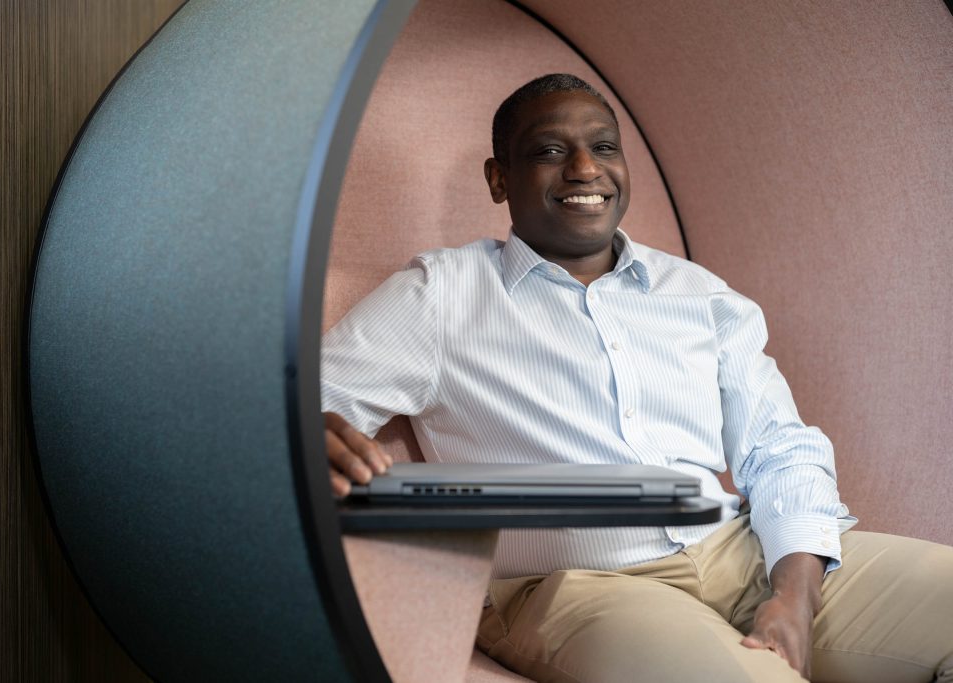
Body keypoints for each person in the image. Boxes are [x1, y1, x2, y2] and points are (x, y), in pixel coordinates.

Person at [320, 74, 953, 682]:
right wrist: (310, 433)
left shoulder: (697, 293)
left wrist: (793, 595)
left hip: (739, 550)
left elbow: (779, 446)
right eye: (548, 151)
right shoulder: (441, 294)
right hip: (575, 587)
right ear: (499, 178)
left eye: (603, 148)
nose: (584, 169)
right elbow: (292, 414)